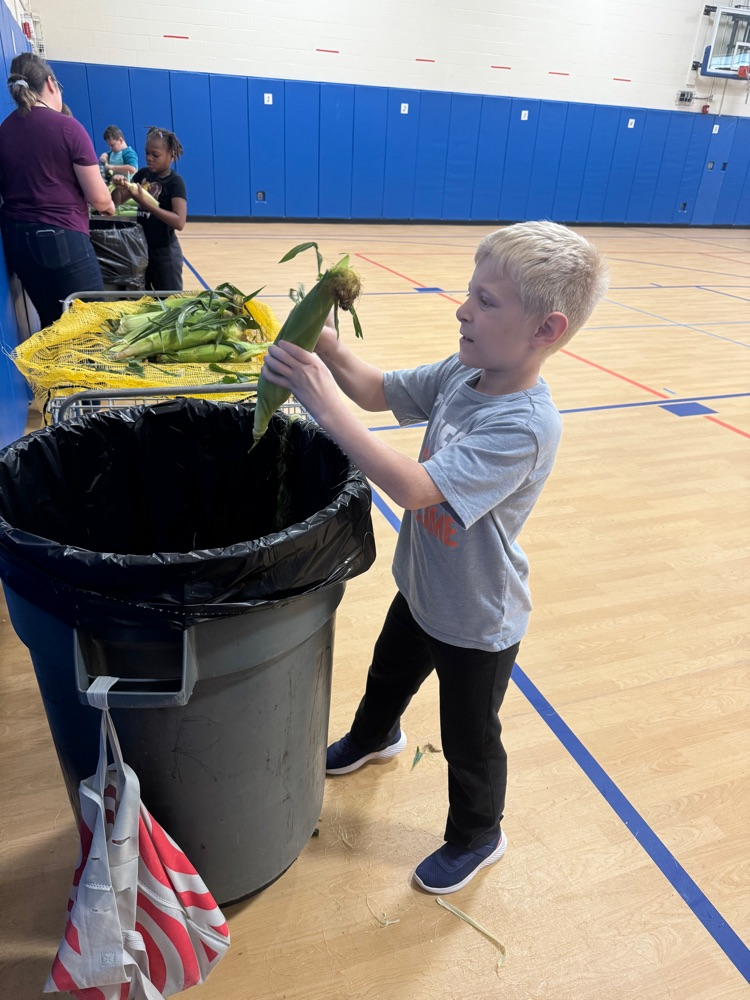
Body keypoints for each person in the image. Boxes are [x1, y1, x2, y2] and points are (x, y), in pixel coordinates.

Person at [261, 221, 609, 895]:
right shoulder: (464, 371)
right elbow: (373, 388)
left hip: (478, 617)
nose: (463, 308)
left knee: (469, 734)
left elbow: (414, 488)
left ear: (545, 330)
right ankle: (375, 735)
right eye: (469, 293)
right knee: (387, 674)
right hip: (424, 585)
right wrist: (321, 336)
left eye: (485, 300)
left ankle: (479, 833)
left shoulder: (524, 426)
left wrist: (321, 404)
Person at [0, 52, 115, 329]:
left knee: (52, 322)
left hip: (16, 240)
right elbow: (100, 199)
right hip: (61, 238)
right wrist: (109, 203)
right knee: (90, 323)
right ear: (51, 83)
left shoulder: (4, 130)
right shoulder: (67, 128)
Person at [112, 126, 186, 290]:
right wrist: (119, 186)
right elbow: (116, 201)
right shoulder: (143, 175)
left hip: (165, 253)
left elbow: (179, 222)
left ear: (171, 156)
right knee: (148, 300)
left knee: (169, 302)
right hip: (142, 251)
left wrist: (146, 204)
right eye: (147, 153)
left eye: (156, 155)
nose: (149, 158)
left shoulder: (175, 182)